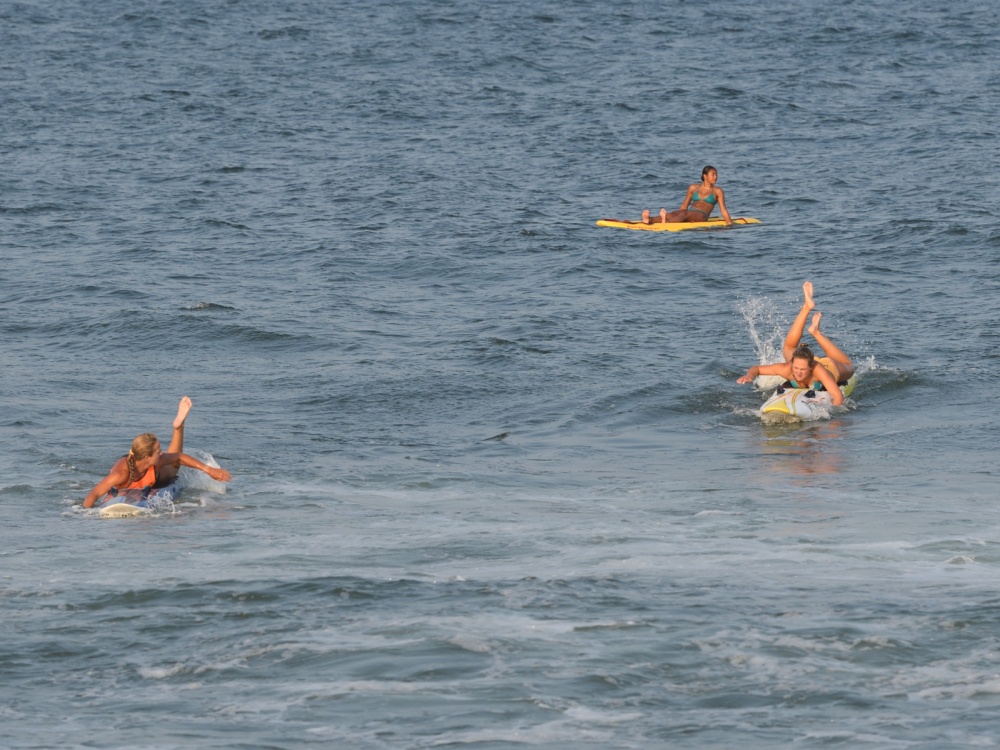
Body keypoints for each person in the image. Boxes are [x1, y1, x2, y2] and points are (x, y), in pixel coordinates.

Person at [82, 396, 231, 508]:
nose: (161, 453)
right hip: (134, 484)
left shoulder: (156, 461)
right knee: (170, 466)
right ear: (147, 457)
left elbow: (179, 457)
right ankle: (178, 427)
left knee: (173, 468)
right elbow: (93, 494)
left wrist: (209, 470)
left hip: (154, 479)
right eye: (158, 451)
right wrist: (86, 515)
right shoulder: (120, 474)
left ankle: (178, 427)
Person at [736, 281, 855, 406]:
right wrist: (750, 376)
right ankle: (806, 308)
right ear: (792, 364)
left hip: (830, 366)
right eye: (796, 368)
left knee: (849, 366)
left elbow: (838, 397)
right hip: (804, 360)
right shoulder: (788, 369)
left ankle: (816, 333)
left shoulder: (818, 371)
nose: (798, 373)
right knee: (789, 348)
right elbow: (757, 369)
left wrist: (833, 415)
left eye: (802, 370)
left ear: (811, 367)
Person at [641, 165, 734, 226]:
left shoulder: (717, 191)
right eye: (713, 175)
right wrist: (676, 214)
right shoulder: (693, 188)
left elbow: (723, 210)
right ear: (705, 176)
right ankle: (650, 219)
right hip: (690, 211)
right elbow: (684, 205)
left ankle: (667, 222)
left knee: (685, 214)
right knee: (672, 213)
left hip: (702, 215)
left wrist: (730, 224)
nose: (716, 177)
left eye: (716, 175)